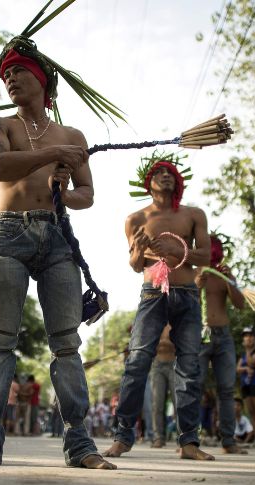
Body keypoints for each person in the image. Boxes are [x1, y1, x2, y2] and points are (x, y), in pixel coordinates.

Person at [0, 37, 114, 470]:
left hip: (58, 235)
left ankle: (81, 446)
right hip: (9, 233)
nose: (10, 78)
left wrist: (63, 190)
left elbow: (87, 194)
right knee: (0, 339)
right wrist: (52, 155)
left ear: (42, 79)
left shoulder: (72, 136)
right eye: (6, 73)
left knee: (66, 343)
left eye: (19, 70)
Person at [103, 152, 213, 461]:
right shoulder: (135, 219)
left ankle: (189, 443)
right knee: (137, 361)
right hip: (152, 295)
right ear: (148, 183)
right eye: (159, 172)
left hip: (188, 294)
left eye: (170, 172)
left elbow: (206, 255)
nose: (165, 175)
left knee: (189, 366)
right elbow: (136, 264)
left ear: (178, 182)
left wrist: (178, 250)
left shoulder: (194, 214)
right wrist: (139, 250)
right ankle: (122, 438)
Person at [195, 234, 248, 454]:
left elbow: (240, 304)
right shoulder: (194, 272)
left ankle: (228, 441)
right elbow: (187, 303)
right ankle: (189, 441)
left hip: (223, 335)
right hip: (199, 335)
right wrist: (198, 284)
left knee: (226, 389)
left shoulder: (224, 274)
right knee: (193, 386)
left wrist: (231, 281)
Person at [149, 324, 176, 448]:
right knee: (157, 403)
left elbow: (181, 344)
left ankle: (183, 438)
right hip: (157, 365)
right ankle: (158, 437)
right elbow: (149, 343)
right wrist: (167, 343)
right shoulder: (155, 321)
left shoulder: (176, 321)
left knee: (178, 401)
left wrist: (162, 343)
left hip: (174, 363)